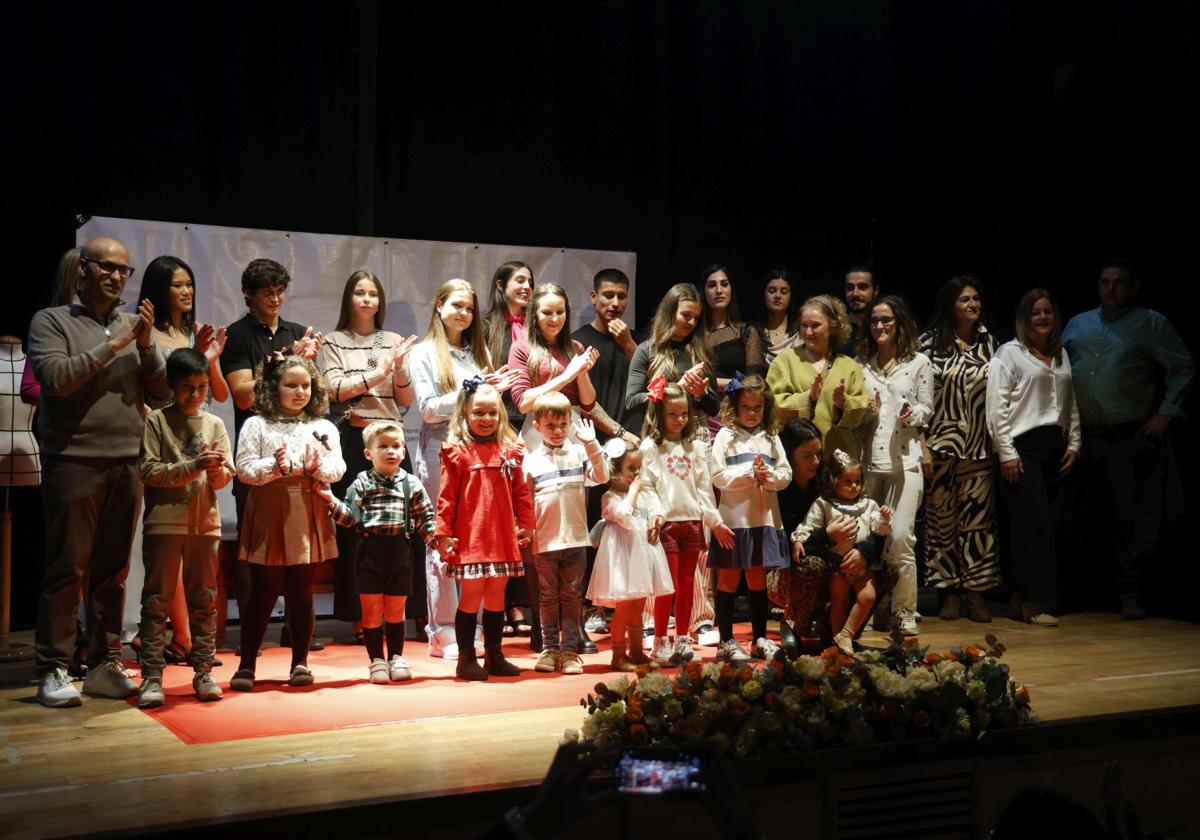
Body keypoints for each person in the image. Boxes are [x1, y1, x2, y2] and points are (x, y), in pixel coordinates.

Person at [29, 236, 170, 707]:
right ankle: (53, 667)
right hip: (73, 460)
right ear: (82, 269)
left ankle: (104, 664)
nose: (116, 277)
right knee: (67, 567)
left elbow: (161, 394)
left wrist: (145, 346)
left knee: (112, 571)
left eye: (124, 270)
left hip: (126, 460)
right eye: (106, 267)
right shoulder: (52, 321)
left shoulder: (132, 327)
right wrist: (116, 344)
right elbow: (56, 380)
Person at [1061, 260, 1194, 619]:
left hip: (1125, 437)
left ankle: (1129, 593)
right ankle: (1077, 592)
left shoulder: (1151, 323)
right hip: (1081, 437)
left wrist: (1165, 413)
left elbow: (1183, 366)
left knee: (1127, 518)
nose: (1110, 289)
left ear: (1133, 288)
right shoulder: (1078, 323)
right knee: (1076, 516)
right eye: (1104, 282)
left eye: (1118, 283)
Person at [408, 279, 517, 659]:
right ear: (439, 306)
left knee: (479, 541)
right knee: (443, 540)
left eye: (469, 308)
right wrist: (473, 387)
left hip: (479, 453)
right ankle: (443, 631)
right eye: (456, 305)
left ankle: (478, 631)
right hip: (441, 449)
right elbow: (427, 409)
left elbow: (483, 402)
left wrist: (491, 389)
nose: (464, 313)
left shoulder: (476, 351)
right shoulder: (423, 352)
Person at [219, 258, 323, 652]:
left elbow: (311, 392)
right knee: (254, 550)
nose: (275, 299)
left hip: (299, 453)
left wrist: (306, 362)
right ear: (248, 294)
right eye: (267, 293)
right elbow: (243, 395)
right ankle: (252, 637)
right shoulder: (237, 335)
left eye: (280, 292)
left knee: (301, 549)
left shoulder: (297, 332)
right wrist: (281, 359)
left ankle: (298, 633)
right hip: (259, 449)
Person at [134, 255, 230, 665]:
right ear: (160, 289)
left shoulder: (196, 332)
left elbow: (219, 393)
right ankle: (176, 639)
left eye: (189, 283)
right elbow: (143, 386)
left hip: (199, 433)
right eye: (177, 285)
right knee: (166, 539)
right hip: (161, 435)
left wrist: (209, 357)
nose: (186, 291)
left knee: (195, 540)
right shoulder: (147, 332)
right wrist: (148, 417)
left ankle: (189, 639)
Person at [229, 354, 345, 691]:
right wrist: (275, 466)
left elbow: (337, 468)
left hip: (307, 507)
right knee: (263, 592)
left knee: (301, 591)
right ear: (273, 387)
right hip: (269, 506)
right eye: (291, 385)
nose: (300, 392)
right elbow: (244, 469)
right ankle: (247, 664)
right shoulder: (257, 424)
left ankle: (300, 662)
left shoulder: (322, 427)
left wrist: (317, 469)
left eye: (305, 385)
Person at [318, 271, 417, 636]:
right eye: (359, 293)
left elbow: (405, 399)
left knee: (399, 527)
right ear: (349, 299)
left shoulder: (392, 341)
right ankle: (362, 617)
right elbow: (335, 389)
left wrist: (399, 368)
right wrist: (379, 373)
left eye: (372, 294)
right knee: (357, 530)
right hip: (355, 441)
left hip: (390, 439)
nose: (366, 300)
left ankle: (398, 614)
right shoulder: (334, 341)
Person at [135, 349, 234, 707]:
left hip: (205, 524)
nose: (195, 394)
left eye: (202, 387)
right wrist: (193, 466)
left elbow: (223, 478)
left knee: (204, 600)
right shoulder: (157, 421)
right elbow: (149, 471)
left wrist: (217, 469)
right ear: (170, 385)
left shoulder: (215, 424)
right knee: (156, 602)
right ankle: (152, 677)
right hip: (164, 523)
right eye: (187, 387)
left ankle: (204, 671)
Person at [986, 288, 1081, 627]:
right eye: (1035, 312)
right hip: (1022, 447)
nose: (1042, 317)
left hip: (1055, 447)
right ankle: (1035, 601)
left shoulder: (1060, 353)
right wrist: (1006, 453)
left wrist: (1074, 442)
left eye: (1047, 311)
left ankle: (1024, 595)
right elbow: (996, 407)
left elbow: (1069, 402)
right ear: (1024, 318)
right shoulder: (1009, 353)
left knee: (1054, 525)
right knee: (1032, 527)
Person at [319, 419, 435, 684]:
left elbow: (426, 519)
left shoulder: (412, 483)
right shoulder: (361, 482)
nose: (391, 451)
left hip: (400, 552)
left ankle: (396, 657)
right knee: (371, 610)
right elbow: (350, 518)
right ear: (368, 453)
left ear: (404, 451)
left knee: (396, 609)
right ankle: (376, 661)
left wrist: (439, 543)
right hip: (369, 552)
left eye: (396, 446)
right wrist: (330, 500)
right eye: (383, 446)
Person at [434, 379, 535, 681]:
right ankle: (466, 658)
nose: (486, 419)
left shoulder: (510, 450)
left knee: (496, 597)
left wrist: (527, 524)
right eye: (478, 412)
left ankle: (494, 655)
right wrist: (442, 534)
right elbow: (446, 497)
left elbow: (520, 492)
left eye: (492, 413)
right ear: (465, 414)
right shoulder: (457, 451)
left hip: (502, 537)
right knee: (471, 595)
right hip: (472, 538)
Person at [768, 419, 893, 649]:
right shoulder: (777, 490)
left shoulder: (831, 480)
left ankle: (841, 633)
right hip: (789, 568)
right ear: (789, 455)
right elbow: (784, 545)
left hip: (840, 561)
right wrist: (826, 536)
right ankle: (794, 624)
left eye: (818, 454)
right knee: (813, 566)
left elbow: (875, 527)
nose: (815, 461)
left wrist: (863, 553)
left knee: (886, 571)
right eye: (807, 456)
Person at [919, 276, 1001, 621]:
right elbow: (917, 396)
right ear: (950, 305)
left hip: (979, 446)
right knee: (941, 522)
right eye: (965, 299)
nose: (972, 304)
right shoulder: (928, 344)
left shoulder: (991, 344)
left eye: (976, 298)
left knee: (978, 524)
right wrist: (921, 444)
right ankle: (948, 592)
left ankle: (975, 592)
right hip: (940, 445)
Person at [639, 380, 735, 666]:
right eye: (672, 414)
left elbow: (704, 490)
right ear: (659, 414)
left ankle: (682, 638)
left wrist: (714, 521)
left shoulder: (695, 447)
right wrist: (655, 513)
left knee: (687, 583)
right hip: (666, 524)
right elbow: (647, 485)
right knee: (666, 586)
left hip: (691, 522)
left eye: (684, 414)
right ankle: (659, 640)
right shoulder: (651, 447)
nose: (679, 420)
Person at [857, 295, 934, 635]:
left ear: (899, 322)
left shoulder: (918, 363)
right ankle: (872, 607)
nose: (880, 326)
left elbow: (926, 409)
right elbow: (855, 413)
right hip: (869, 463)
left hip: (906, 462)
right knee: (869, 538)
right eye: (874, 321)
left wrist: (910, 413)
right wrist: (864, 409)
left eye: (886, 320)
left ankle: (904, 611)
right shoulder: (861, 364)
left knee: (901, 537)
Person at [707, 373, 791, 662]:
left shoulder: (771, 438)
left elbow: (786, 473)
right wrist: (748, 473)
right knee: (729, 578)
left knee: (757, 578)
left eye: (757, 407)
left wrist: (770, 477)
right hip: (734, 521)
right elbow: (717, 476)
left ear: (765, 407)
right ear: (735, 407)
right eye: (745, 407)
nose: (752, 413)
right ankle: (726, 641)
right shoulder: (725, 436)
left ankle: (759, 639)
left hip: (762, 519)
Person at [523, 394, 608, 674]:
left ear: (570, 423)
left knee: (572, 596)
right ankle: (549, 649)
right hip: (545, 541)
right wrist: (526, 530)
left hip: (575, 539)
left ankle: (570, 651)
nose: (558, 431)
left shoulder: (579, 453)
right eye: (551, 425)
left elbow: (603, 476)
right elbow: (525, 501)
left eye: (563, 424)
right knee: (548, 597)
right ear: (537, 426)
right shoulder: (531, 461)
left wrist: (592, 444)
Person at [791, 449, 891, 655]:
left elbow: (879, 531)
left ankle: (846, 634)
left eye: (857, 481)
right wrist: (799, 540)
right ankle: (837, 646)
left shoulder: (869, 505)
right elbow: (808, 526)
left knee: (868, 596)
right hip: (837, 564)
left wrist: (884, 518)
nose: (854, 486)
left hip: (862, 566)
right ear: (834, 481)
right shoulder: (825, 504)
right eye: (848, 482)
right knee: (839, 602)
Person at [585, 437, 671, 672]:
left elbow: (657, 507)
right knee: (624, 608)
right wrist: (633, 491)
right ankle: (618, 654)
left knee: (639, 605)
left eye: (638, 467)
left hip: (641, 555)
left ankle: (636, 650)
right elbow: (623, 515)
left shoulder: (643, 493)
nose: (636, 473)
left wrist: (657, 520)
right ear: (614, 471)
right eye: (631, 468)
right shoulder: (609, 496)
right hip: (623, 559)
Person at [766, 294, 868, 461]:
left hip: (838, 458)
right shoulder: (785, 361)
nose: (808, 332)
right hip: (797, 459)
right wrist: (808, 399)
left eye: (815, 326)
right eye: (804, 325)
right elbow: (772, 405)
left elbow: (860, 411)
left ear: (833, 326)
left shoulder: (849, 366)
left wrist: (843, 403)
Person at [624, 283, 720, 439]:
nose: (692, 323)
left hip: (696, 436)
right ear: (669, 312)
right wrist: (675, 389)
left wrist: (701, 395)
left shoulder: (702, 352)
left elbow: (714, 409)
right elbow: (631, 402)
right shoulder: (647, 350)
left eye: (696, 318)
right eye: (686, 315)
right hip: (659, 433)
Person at [481, 260, 534, 432]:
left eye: (530, 282)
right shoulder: (485, 328)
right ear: (500, 285)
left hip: (535, 418)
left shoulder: (537, 329)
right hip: (496, 417)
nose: (527, 287)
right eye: (520, 280)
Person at [759, 268, 801, 364]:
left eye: (784, 292)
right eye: (772, 291)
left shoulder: (801, 332)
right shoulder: (754, 333)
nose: (777, 296)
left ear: (791, 296)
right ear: (764, 294)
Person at [842, 264, 879, 353]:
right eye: (850, 288)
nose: (855, 293)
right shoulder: (836, 330)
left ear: (875, 291)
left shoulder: (884, 328)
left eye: (862, 287)